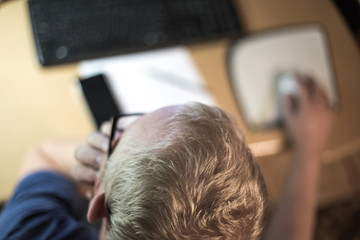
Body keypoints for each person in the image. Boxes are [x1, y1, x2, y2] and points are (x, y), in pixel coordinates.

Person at [0, 75, 334, 240]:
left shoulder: (25, 231)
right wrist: (309, 150)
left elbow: (41, 154)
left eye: (118, 137)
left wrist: (101, 161)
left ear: (98, 202)